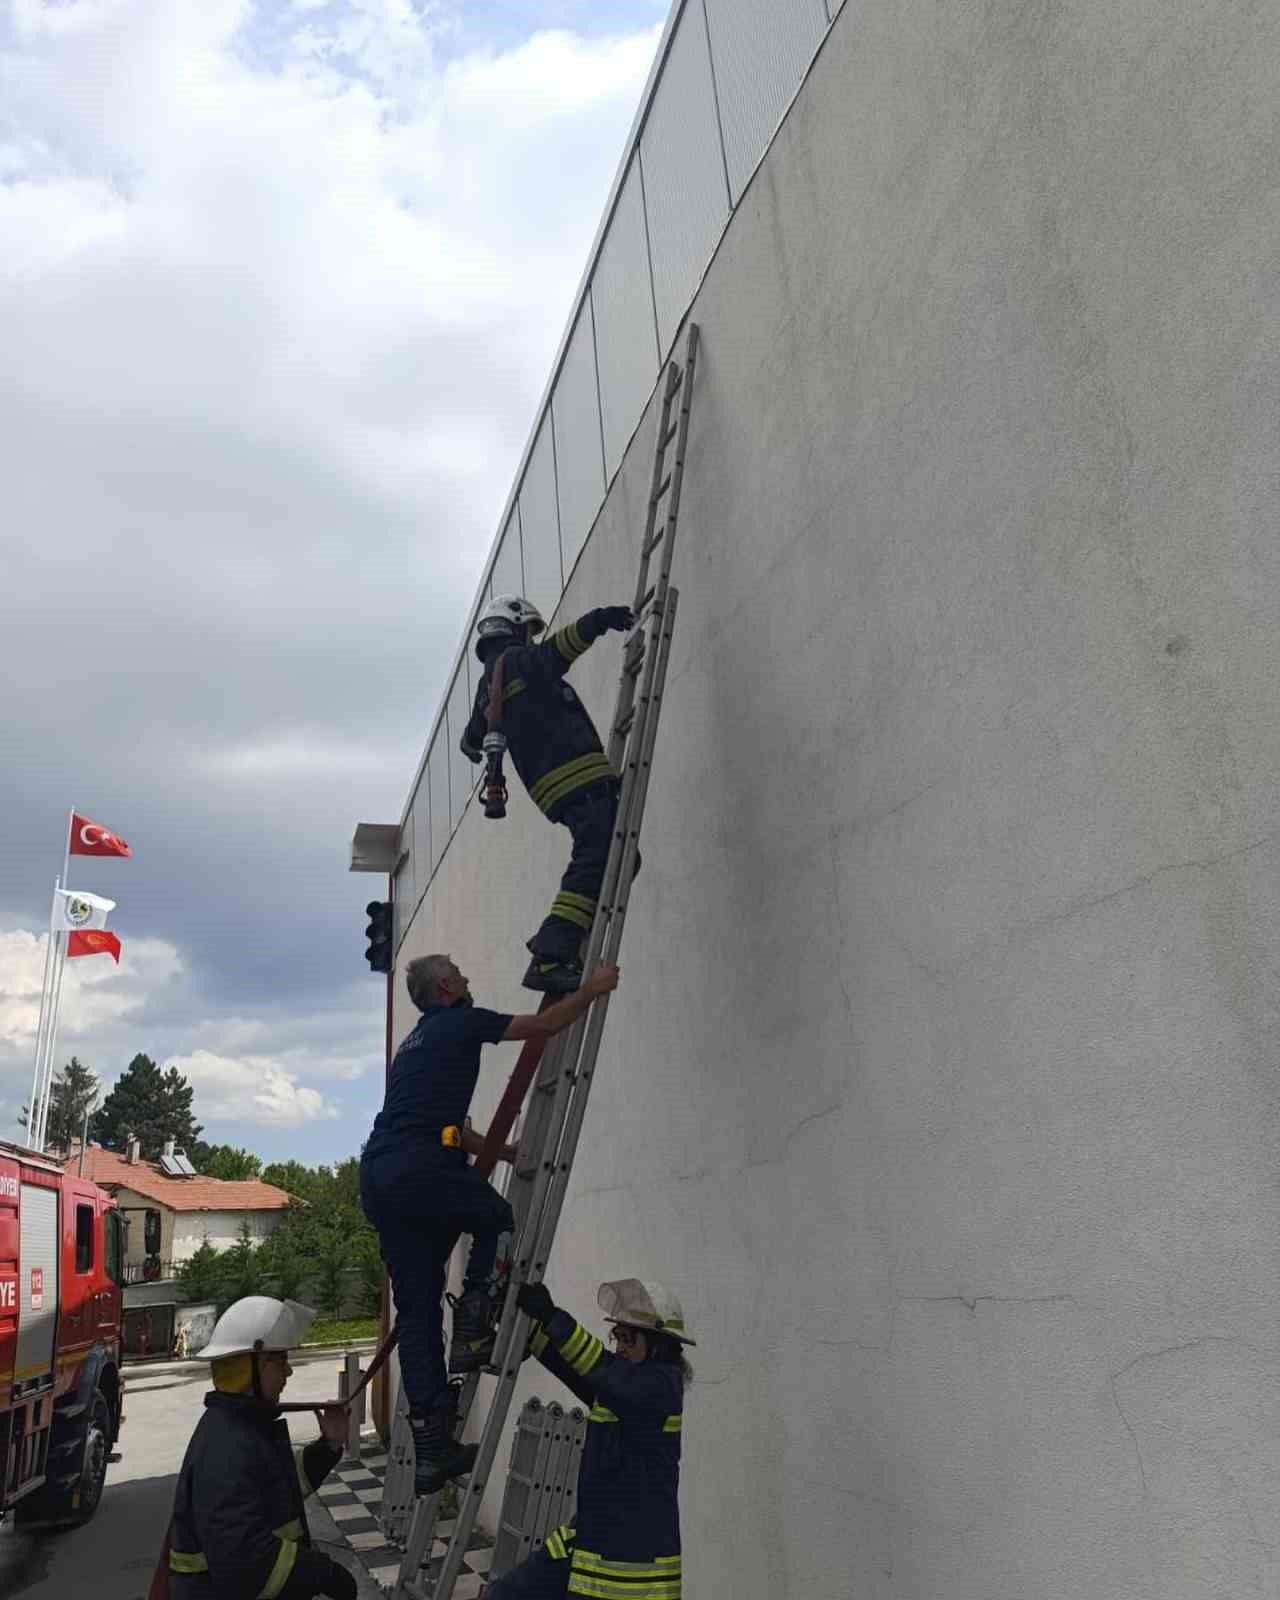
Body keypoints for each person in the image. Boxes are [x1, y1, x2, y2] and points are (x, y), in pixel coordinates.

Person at [359, 953, 621, 1495]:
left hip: (383, 1179)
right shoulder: (463, 1021)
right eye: (462, 972)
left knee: (416, 1313)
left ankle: (432, 1450)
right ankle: (476, 1321)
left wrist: (505, 1154)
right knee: (499, 1217)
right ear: (449, 985)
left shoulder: (413, 1049)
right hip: (421, 1168)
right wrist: (594, 988)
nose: (470, 978)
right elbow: (544, 1026)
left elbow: (454, 1131)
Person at [460, 593, 636, 993]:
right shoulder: (519, 662)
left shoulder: (489, 687)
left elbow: (470, 743)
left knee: (622, 857)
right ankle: (551, 952)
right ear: (515, 628)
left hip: (556, 789)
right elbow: (558, 650)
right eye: (528, 631)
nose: (532, 639)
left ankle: (566, 934)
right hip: (579, 779)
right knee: (595, 860)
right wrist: (598, 617)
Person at [484, 1278, 694, 1600]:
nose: (620, 1348)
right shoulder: (622, 1388)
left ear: (658, 1345)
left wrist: (554, 1318)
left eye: (629, 1339)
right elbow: (580, 1371)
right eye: (617, 1338)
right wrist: (535, 1332)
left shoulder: (659, 1386)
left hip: (630, 1571)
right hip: (590, 1540)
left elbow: (601, 1367)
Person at [164, 1296, 356, 1600]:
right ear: (250, 1365)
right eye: (280, 1360)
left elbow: (277, 1486)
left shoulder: (242, 1428)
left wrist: (329, 1445)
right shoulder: (227, 1446)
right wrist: (322, 1573)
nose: (288, 1372)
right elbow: (246, 1563)